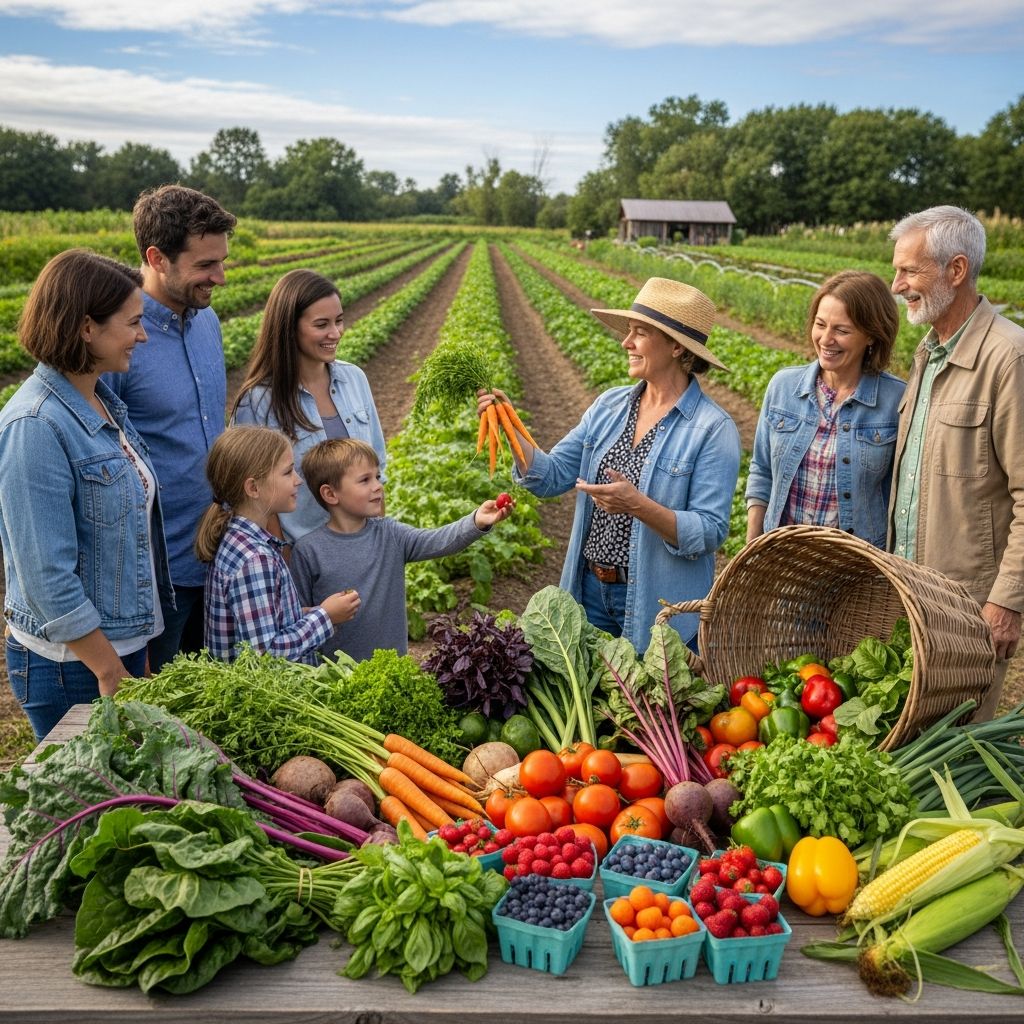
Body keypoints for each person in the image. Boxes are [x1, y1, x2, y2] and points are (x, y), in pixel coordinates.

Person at [477, 277, 740, 653]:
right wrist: (506, 424)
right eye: (629, 331)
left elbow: (710, 531)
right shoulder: (609, 407)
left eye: (640, 333)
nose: (626, 343)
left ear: (678, 348)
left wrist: (638, 505)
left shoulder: (712, 429)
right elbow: (550, 477)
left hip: (657, 604)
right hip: (589, 592)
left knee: (649, 708)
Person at [0, 250, 172, 739]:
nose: (142, 335)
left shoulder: (100, 399)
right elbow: (45, 575)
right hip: (73, 665)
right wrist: (108, 669)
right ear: (86, 328)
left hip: (117, 647)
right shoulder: (34, 426)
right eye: (133, 323)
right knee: (84, 808)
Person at [888, 205, 1024, 719]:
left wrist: (1007, 601)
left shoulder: (1008, 357)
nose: (897, 284)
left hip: (968, 606)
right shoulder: (929, 352)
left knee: (956, 748)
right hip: (912, 595)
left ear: (957, 270)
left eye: (908, 271)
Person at [105, 184, 237, 672]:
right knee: (159, 714)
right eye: (205, 265)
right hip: (154, 576)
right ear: (157, 258)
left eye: (222, 261)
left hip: (217, 556)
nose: (219, 277)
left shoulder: (208, 322)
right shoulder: (118, 341)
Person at [290, 438, 512, 662]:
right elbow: (298, 615)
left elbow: (437, 541)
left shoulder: (390, 534)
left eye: (377, 476)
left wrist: (476, 521)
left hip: (391, 669)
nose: (377, 486)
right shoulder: (308, 551)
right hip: (331, 676)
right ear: (330, 494)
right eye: (364, 480)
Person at [745, 271, 904, 548]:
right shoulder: (783, 387)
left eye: (841, 330)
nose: (826, 339)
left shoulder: (896, 400)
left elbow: (903, 496)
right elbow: (762, 471)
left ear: (871, 335)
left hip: (856, 569)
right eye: (820, 324)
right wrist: (751, 548)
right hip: (782, 560)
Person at [231, 269, 386, 544]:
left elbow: (378, 469)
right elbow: (254, 499)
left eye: (339, 321)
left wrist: (378, 542)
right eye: (321, 324)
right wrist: (286, 558)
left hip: (363, 543)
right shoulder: (257, 401)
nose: (335, 333)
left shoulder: (355, 379)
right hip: (301, 552)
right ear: (289, 328)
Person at [195, 426, 357, 665]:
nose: (298, 480)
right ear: (253, 488)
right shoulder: (254, 559)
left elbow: (263, 623)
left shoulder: (240, 539)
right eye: (288, 472)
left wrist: (311, 613)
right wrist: (326, 616)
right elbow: (264, 655)